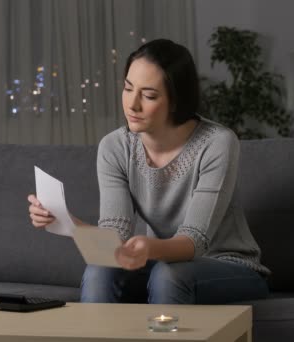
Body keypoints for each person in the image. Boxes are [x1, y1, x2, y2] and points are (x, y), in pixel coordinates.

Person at [28, 38, 269, 304]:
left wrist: (149, 248)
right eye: (128, 89)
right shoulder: (115, 147)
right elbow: (114, 235)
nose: (132, 105)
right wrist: (66, 221)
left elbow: (195, 241)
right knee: (100, 271)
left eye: (149, 95)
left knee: (169, 276)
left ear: (176, 101)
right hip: (160, 263)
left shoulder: (217, 143)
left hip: (227, 265)